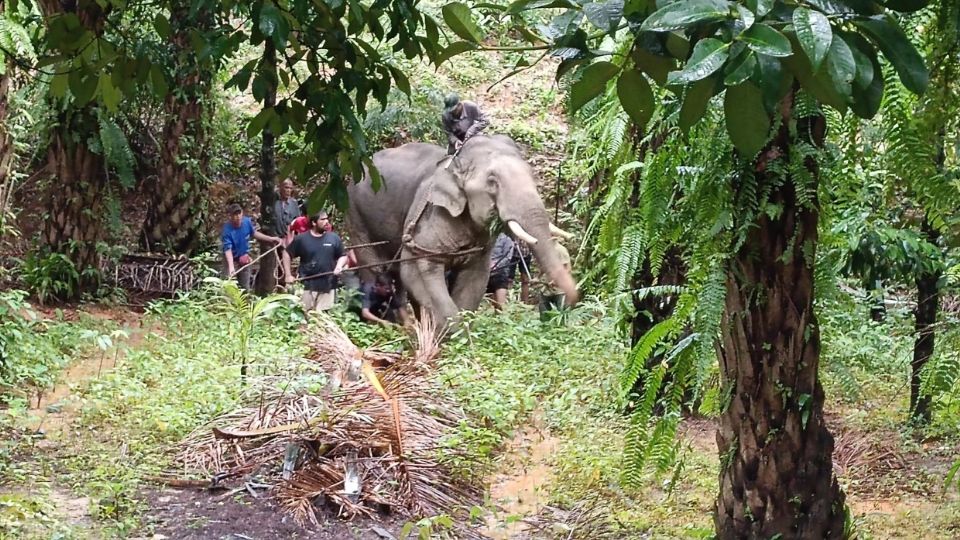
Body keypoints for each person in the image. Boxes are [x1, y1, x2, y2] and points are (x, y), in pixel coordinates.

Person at [282, 210, 348, 312]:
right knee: (305, 315)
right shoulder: (302, 239)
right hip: (307, 285)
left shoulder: (334, 238)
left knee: (323, 316)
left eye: (327, 219)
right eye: (322, 219)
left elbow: (343, 256)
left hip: (328, 285)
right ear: (314, 223)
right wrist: (288, 275)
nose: (326, 222)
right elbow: (286, 253)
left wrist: (339, 266)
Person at [221, 203, 282, 291]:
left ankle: (245, 299)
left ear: (242, 213)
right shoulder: (227, 230)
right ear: (230, 216)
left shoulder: (246, 222)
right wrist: (231, 267)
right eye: (235, 214)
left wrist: (270, 239)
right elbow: (227, 249)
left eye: (239, 213)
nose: (238, 217)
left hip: (244, 257)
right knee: (229, 286)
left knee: (245, 287)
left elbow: (254, 233)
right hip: (231, 259)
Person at [538, 234, 572, 319]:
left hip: (559, 288)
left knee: (561, 314)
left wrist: (556, 281)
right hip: (546, 287)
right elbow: (544, 266)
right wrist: (538, 277)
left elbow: (568, 268)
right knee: (544, 312)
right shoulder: (546, 251)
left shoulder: (561, 250)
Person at [487, 233, 516, 309]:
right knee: (491, 304)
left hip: (500, 273)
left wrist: (495, 264)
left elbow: (508, 258)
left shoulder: (506, 239)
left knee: (501, 305)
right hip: (485, 273)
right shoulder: (486, 238)